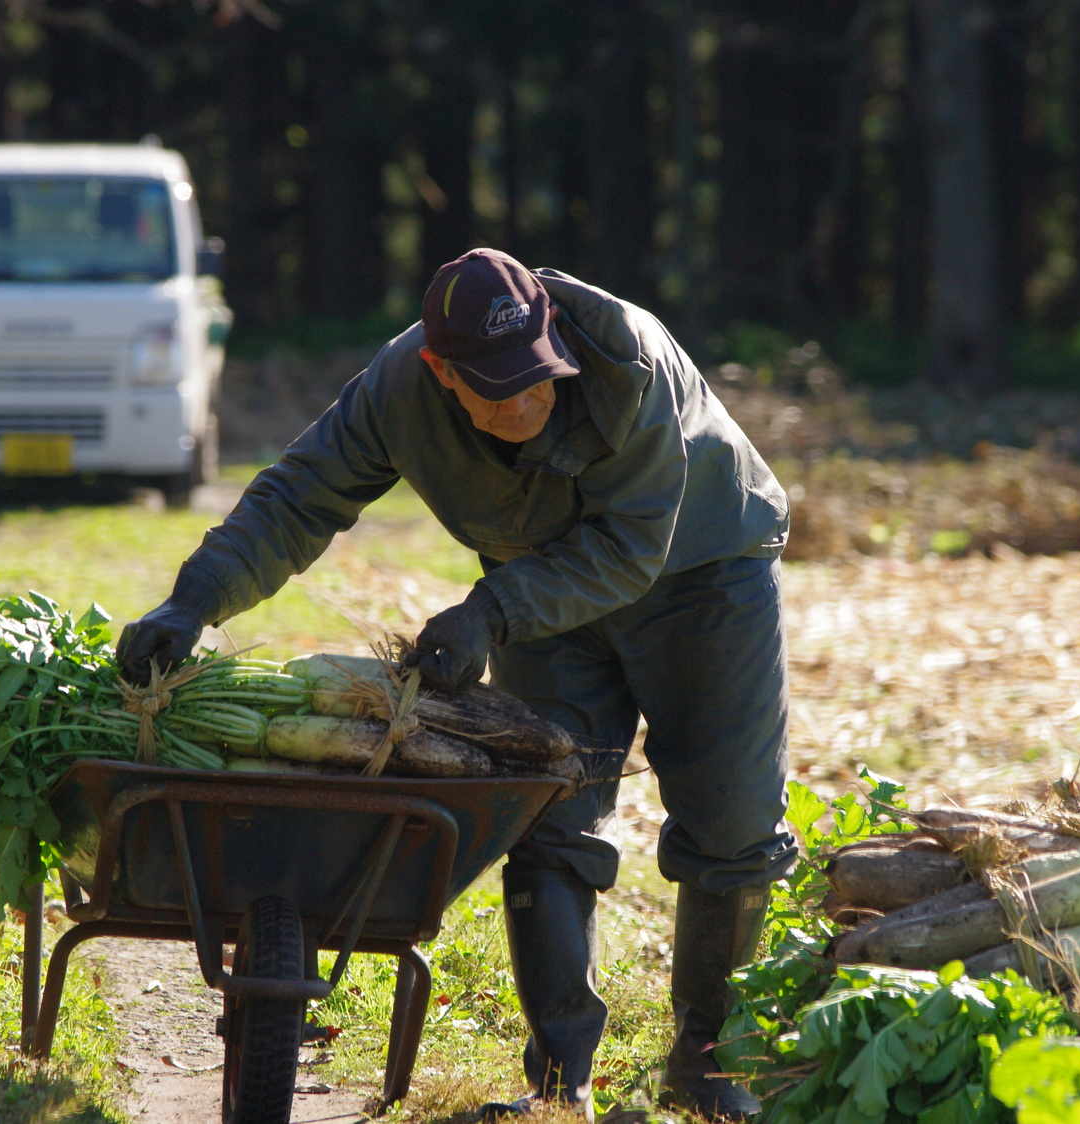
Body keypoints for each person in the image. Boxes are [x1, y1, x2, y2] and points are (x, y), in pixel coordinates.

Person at [118, 248, 795, 1119]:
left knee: (732, 821)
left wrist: (490, 612)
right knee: (547, 809)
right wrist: (193, 602)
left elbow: (630, 549)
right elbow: (298, 499)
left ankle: (707, 1060)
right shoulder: (398, 387)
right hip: (539, 596)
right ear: (442, 372)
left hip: (704, 575)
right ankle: (558, 1086)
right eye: (496, 389)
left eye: (537, 380)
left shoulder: (630, 360)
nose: (523, 402)